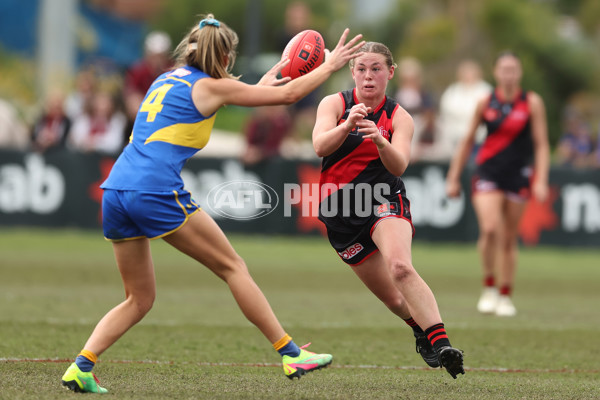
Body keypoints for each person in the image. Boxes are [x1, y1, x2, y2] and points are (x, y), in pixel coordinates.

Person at [60, 14, 365, 393]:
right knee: (233, 267)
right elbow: (285, 96)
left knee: (139, 298)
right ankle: (290, 353)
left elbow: (245, 90)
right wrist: (332, 65)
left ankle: (81, 367)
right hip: (154, 190)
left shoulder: (166, 79)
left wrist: (272, 75)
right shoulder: (210, 88)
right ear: (224, 57)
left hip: (117, 190)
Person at [312, 42, 465, 379]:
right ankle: (419, 330)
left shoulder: (399, 117)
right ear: (352, 72)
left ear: (390, 73)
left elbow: (398, 166)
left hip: (384, 199)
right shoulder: (334, 104)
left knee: (401, 269)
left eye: (376, 69)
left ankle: (442, 345)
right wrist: (346, 124)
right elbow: (320, 145)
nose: (369, 77)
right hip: (340, 213)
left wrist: (381, 141)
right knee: (395, 301)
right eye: (362, 69)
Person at [445, 51, 550, 317]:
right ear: (496, 73)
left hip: (518, 175)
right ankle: (489, 286)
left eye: (513, 69)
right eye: (504, 69)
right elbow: (468, 140)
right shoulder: (485, 102)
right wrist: (454, 176)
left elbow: (541, 144)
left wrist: (542, 179)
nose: (508, 74)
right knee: (490, 229)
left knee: (509, 237)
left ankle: (505, 294)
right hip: (488, 171)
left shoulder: (532, 103)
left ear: (520, 73)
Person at [436, 60, 492, 161]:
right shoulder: (452, 91)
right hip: (456, 140)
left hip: (479, 141)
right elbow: (447, 113)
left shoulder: (485, 90)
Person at [394, 57, 436, 161]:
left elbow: (429, 113)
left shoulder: (424, 94)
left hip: (420, 129)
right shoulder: (395, 94)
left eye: (412, 79)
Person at [68, 91, 127, 155]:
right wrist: (86, 143)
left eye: (105, 103)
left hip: (105, 158)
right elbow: (74, 138)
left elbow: (115, 143)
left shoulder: (117, 120)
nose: (101, 107)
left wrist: (95, 144)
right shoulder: (84, 119)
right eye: (99, 103)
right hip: (81, 156)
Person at [31, 89, 71, 153]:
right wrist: (41, 139)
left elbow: (66, 140)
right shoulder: (42, 120)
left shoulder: (66, 121)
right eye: (53, 104)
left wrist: (53, 140)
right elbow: (33, 136)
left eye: (58, 105)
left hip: (59, 153)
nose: (55, 106)